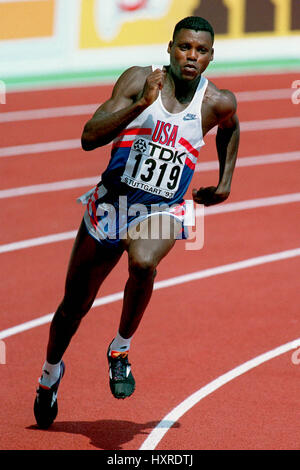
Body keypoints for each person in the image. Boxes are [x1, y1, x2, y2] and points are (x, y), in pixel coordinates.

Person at [34, 16, 239, 429]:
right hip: (110, 207)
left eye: (201, 51)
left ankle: (120, 350)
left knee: (144, 262)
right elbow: (89, 137)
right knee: (73, 308)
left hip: (162, 209)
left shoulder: (217, 102)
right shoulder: (137, 81)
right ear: (169, 48)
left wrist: (224, 182)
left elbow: (231, 130)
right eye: (184, 47)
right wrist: (141, 105)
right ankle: (49, 375)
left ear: (211, 57)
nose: (191, 56)